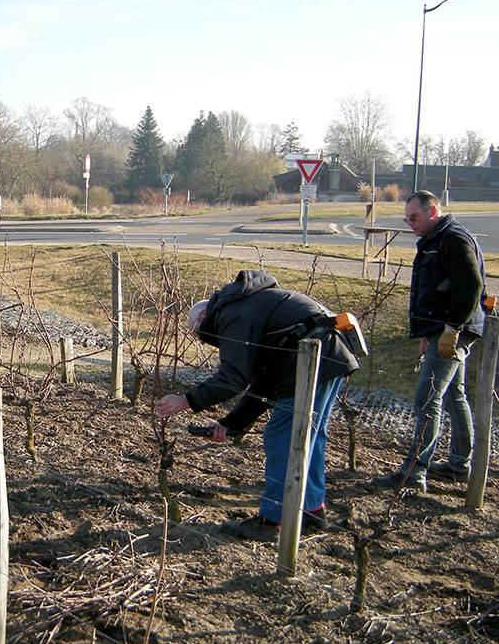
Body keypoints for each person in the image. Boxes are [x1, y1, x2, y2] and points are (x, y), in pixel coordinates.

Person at [154, 270, 359, 541]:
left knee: (282, 437)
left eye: (197, 332)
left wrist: (185, 401)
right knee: (310, 436)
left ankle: (271, 521)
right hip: (331, 354)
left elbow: (233, 378)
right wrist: (231, 425)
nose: (201, 340)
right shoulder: (249, 306)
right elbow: (263, 382)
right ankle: (311, 511)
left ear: (205, 316)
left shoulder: (232, 315)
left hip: (313, 357)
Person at [373, 190, 485, 492]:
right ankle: (459, 465)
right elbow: (435, 289)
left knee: (427, 397)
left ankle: (414, 471)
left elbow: (471, 285)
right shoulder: (436, 240)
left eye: (414, 217)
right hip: (443, 331)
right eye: (405, 218)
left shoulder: (453, 239)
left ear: (432, 212)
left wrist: (451, 330)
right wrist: (428, 334)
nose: (409, 223)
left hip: (454, 331)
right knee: (453, 395)